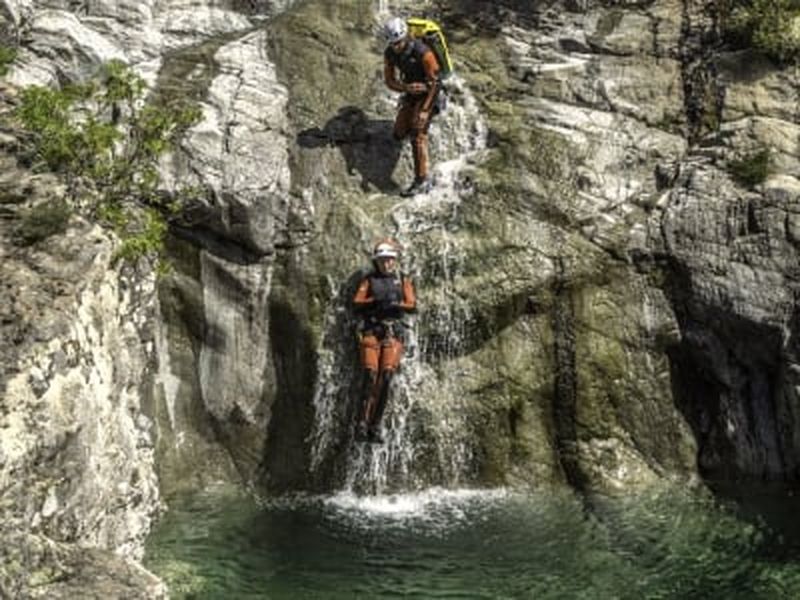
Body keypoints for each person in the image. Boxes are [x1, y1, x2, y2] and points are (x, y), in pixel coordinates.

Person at [352, 238, 417, 442]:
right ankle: (361, 423)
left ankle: (376, 426)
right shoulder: (369, 280)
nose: (386, 263)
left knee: (386, 378)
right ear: (377, 262)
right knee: (370, 376)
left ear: (395, 261)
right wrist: (374, 301)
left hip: (392, 333)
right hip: (372, 332)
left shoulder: (402, 279)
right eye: (383, 260)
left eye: (390, 260)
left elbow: (412, 304)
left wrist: (396, 304)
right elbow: (357, 302)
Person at [381, 16, 441, 197]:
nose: (396, 47)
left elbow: (436, 83)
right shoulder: (390, 54)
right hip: (411, 92)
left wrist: (424, 111)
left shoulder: (424, 53)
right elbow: (389, 81)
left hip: (429, 93)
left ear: (406, 37)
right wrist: (406, 88)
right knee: (398, 133)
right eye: (393, 44)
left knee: (417, 133)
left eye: (399, 43)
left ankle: (421, 179)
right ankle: (412, 118)